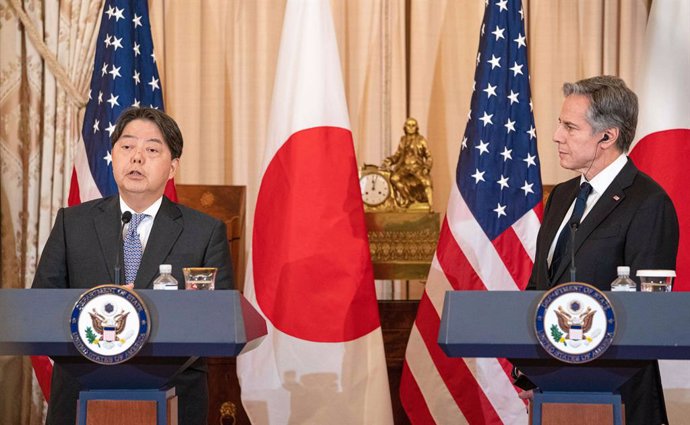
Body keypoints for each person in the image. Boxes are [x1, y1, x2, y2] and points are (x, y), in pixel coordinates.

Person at [32, 107, 234, 425]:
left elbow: (220, 320)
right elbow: (40, 307)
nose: (137, 158)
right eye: (127, 147)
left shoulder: (204, 232)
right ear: (113, 155)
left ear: (172, 167)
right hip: (80, 395)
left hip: (174, 396)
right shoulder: (73, 223)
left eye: (152, 149)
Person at [526, 75, 679, 425]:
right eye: (559, 124)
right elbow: (539, 287)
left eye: (570, 127)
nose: (556, 136)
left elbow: (648, 316)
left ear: (607, 136)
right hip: (555, 392)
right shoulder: (562, 196)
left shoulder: (648, 203)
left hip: (619, 399)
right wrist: (535, 372)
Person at [381, 117, 433, 208]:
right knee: (394, 178)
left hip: (417, 168)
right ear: (405, 127)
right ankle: (408, 199)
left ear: (417, 127)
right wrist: (390, 160)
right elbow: (397, 155)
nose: (411, 127)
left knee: (426, 182)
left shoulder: (421, 140)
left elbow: (429, 157)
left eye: (413, 125)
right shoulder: (403, 140)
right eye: (409, 125)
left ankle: (430, 206)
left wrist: (426, 167)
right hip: (404, 168)